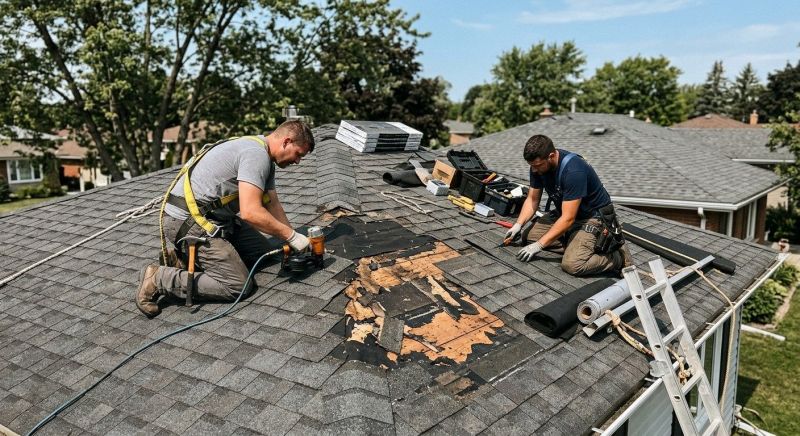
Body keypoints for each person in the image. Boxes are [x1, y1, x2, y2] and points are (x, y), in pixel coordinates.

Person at [135, 120, 315, 317]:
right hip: (188, 222)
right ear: (287, 141)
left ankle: (182, 260)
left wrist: (292, 238)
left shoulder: (262, 152)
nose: (298, 161)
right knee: (238, 285)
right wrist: (291, 236)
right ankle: (159, 279)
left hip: (215, 218)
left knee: (267, 254)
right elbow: (250, 212)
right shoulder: (256, 155)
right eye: (299, 154)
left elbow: (272, 203)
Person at [503, 134, 632, 276]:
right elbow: (533, 200)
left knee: (573, 265)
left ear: (551, 156)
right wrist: (518, 225)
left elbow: (568, 218)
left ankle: (618, 258)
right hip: (566, 212)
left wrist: (539, 245)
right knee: (529, 237)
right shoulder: (538, 166)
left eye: (537, 166)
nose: (534, 170)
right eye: (531, 166)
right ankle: (576, 245)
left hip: (592, 218)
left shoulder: (574, 171)